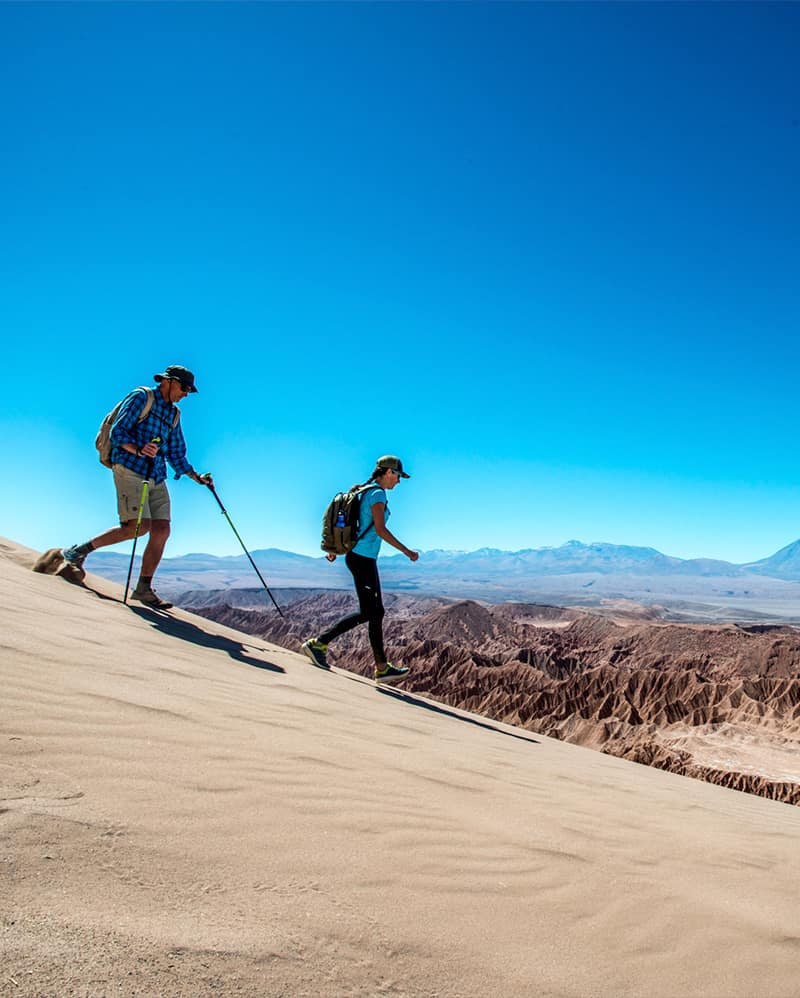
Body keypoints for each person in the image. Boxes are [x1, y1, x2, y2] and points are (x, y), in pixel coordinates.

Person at [62, 365, 212, 608]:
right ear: (169, 382)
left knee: (162, 529)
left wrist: (196, 477)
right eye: (184, 388)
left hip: (157, 475)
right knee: (136, 527)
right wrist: (139, 449)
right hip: (130, 468)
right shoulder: (142, 397)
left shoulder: (174, 415)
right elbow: (118, 433)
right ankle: (78, 552)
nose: (186, 394)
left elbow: (176, 452)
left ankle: (143, 588)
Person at [301, 455, 419, 684]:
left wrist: (337, 547)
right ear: (386, 472)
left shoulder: (363, 491)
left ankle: (382, 667)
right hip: (363, 559)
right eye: (397, 476)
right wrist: (407, 551)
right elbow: (380, 529)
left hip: (360, 557)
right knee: (370, 612)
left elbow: (350, 523)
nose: (398, 481)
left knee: (375, 612)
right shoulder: (377, 494)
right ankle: (318, 644)